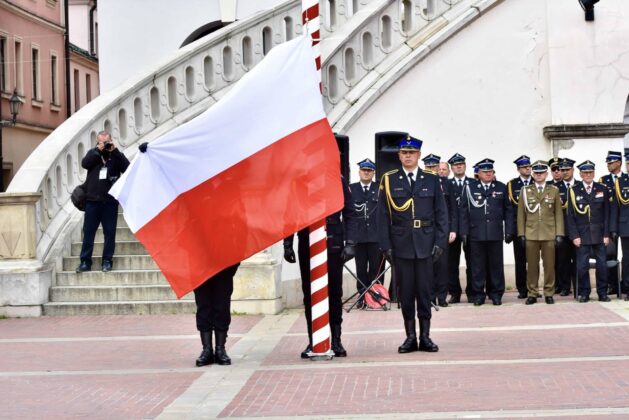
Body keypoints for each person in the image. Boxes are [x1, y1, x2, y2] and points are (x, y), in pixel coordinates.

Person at [377, 136, 447, 353]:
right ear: (399, 156)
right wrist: (385, 245)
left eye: (412, 153)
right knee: (405, 294)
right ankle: (410, 337)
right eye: (404, 153)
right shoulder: (389, 180)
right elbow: (382, 216)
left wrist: (440, 242)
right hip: (401, 244)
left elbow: (441, 214)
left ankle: (425, 336)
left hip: (426, 243)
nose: (408, 156)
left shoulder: (432, 179)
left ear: (418, 155)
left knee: (425, 292)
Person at [284, 176, 356, 358]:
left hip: (332, 240)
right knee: (310, 293)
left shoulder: (336, 180)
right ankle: (314, 339)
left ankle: (336, 340)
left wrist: (351, 243)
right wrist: (287, 243)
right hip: (306, 239)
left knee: (334, 292)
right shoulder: (299, 181)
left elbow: (349, 213)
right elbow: (290, 213)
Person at [460, 159, 514, 306]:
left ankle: (496, 294)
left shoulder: (501, 187)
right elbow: (463, 211)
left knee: (496, 266)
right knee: (477, 266)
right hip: (475, 234)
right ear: (479, 174)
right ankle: (478, 294)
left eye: (490, 171)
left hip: (495, 233)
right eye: (485, 172)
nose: (488, 174)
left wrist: (509, 230)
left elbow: (508, 212)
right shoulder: (470, 188)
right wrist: (463, 232)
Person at [76, 131, 130, 273]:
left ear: (111, 141)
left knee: (109, 233)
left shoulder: (116, 156)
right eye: (101, 142)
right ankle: (85, 262)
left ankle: (107, 261)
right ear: (97, 142)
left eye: (106, 142)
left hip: (110, 202)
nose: (104, 145)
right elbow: (84, 163)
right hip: (92, 201)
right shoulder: (93, 154)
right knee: (88, 232)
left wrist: (115, 151)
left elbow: (127, 168)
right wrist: (96, 151)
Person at [517, 161, 564, 305]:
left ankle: (549, 292)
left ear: (546, 174)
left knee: (549, 265)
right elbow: (521, 214)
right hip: (531, 233)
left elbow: (558, 214)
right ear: (532, 174)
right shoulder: (525, 191)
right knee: (531, 265)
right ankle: (532, 292)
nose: (539, 175)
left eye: (541, 173)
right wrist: (521, 233)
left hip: (549, 233)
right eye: (536, 173)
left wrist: (559, 233)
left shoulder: (553, 190)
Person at [566, 160, 611, 302]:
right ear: (580, 174)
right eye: (585, 172)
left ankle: (602, 292)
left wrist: (606, 234)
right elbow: (570, 215)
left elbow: (607, 214)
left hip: (599, 234)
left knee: (602, 265)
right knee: (582, 266)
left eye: (590, 172)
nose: (588, 175)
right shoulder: (573, 190)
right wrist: (574, 236)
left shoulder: (602, 188)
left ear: (594, 173)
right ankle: (584, 292)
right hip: (582, 235)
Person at [423, 154, 457, 307]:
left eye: (434, 166)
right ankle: (430, 296)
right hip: (426, 230)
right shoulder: (420, 182)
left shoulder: (447, 184)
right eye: (428, 167)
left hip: (443, 229)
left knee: (443, 265)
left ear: (438, 167)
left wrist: (453, 229)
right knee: (428, 265)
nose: (431, 169)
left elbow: (453, 209)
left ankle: (442, 297)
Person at [349, 158, 381, 308]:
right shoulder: (351, 189)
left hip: (376, 237)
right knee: (361, 269)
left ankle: (375, 296)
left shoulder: (380, 188)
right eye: (364, 170)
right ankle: (362, 297)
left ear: (373, 173)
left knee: (375, 269)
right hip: (359, 237)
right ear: (359, 172)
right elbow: (348, 214)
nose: (366, 173)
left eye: (369, 171)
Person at [194, 264, 240, 366]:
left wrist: (231, 266)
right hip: (199, 265)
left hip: (223, 266)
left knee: (222, 306)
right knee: (203, 307)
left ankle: (220, 349)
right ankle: (207, 350)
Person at [446, 153, 474, 304]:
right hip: (452, 230)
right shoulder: (446, 185)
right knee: (452, 264)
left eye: (461, 164)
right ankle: (455, 293)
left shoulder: (473, 183)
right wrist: (451, 229)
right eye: (456, 165)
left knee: (472, 263)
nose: (458, 166)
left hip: (470, 229)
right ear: (451, 168)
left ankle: (472, 292)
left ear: (465, 166)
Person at [506, 155, 532, 299]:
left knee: (534, 260)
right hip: (519, 227)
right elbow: (509, 211)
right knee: (520, 259)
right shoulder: (512, 185)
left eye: (529, 166)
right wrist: (510, 230)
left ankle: (533, 287)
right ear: (518, 169)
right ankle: (522, 288)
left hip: (536, 227)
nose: (527, 169)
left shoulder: (537, 181)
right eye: (524, 167)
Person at [598, 151, 623, 296]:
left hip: (625, 221)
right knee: (610, 255)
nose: (608, 165)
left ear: (618, 163)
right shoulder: (603, 180)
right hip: (610, 222)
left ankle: (625, 284)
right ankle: (612, 284)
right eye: (607, 163)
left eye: (611, 162)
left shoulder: (626, 179)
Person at [554, 158, 578, 296]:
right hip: (562, 230)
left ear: (573, 170)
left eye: (567, 169)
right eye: (562, 170)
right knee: (562, 260)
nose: (565, 172)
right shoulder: (555, 188)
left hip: (578, 231)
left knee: (578, 259)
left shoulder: (580, 185)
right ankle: (565, 287)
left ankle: (578, 285)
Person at [609, 153, 629, 300]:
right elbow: (615, 207)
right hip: (625, 225)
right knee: (627, 258)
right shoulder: (620, 182)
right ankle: (627, 287)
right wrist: (614, 228)